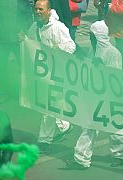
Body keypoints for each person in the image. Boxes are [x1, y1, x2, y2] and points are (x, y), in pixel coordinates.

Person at [65, 19, 123, 170]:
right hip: (95, 97)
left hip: (110, 98)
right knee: (88, 126)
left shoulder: (113, 53)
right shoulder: (93, 50)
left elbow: (116, 78)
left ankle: (120, 154)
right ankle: (81, 159)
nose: (90, 38)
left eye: (92, 35)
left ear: (99, 35)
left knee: (114, 127)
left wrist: (102, 69)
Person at [27, 0, 76, 153]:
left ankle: (44, 140)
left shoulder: (58, 27)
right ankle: (64, 126)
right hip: (43, 73)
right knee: (52, 104)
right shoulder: (34, 27)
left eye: (41, 9)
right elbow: (31, 44)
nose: (38, 12)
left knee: (47, 107)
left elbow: (71, 46)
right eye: (36, 9)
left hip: (57, 73)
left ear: (49, 10)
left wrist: (58, 49)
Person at [0, 0, 34, 102]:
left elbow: (28, 14)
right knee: (1, 66)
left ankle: (27, 91)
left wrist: (27, 32)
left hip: (18, 38)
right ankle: (4, 91)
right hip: (1, 38)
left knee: (24, 66)